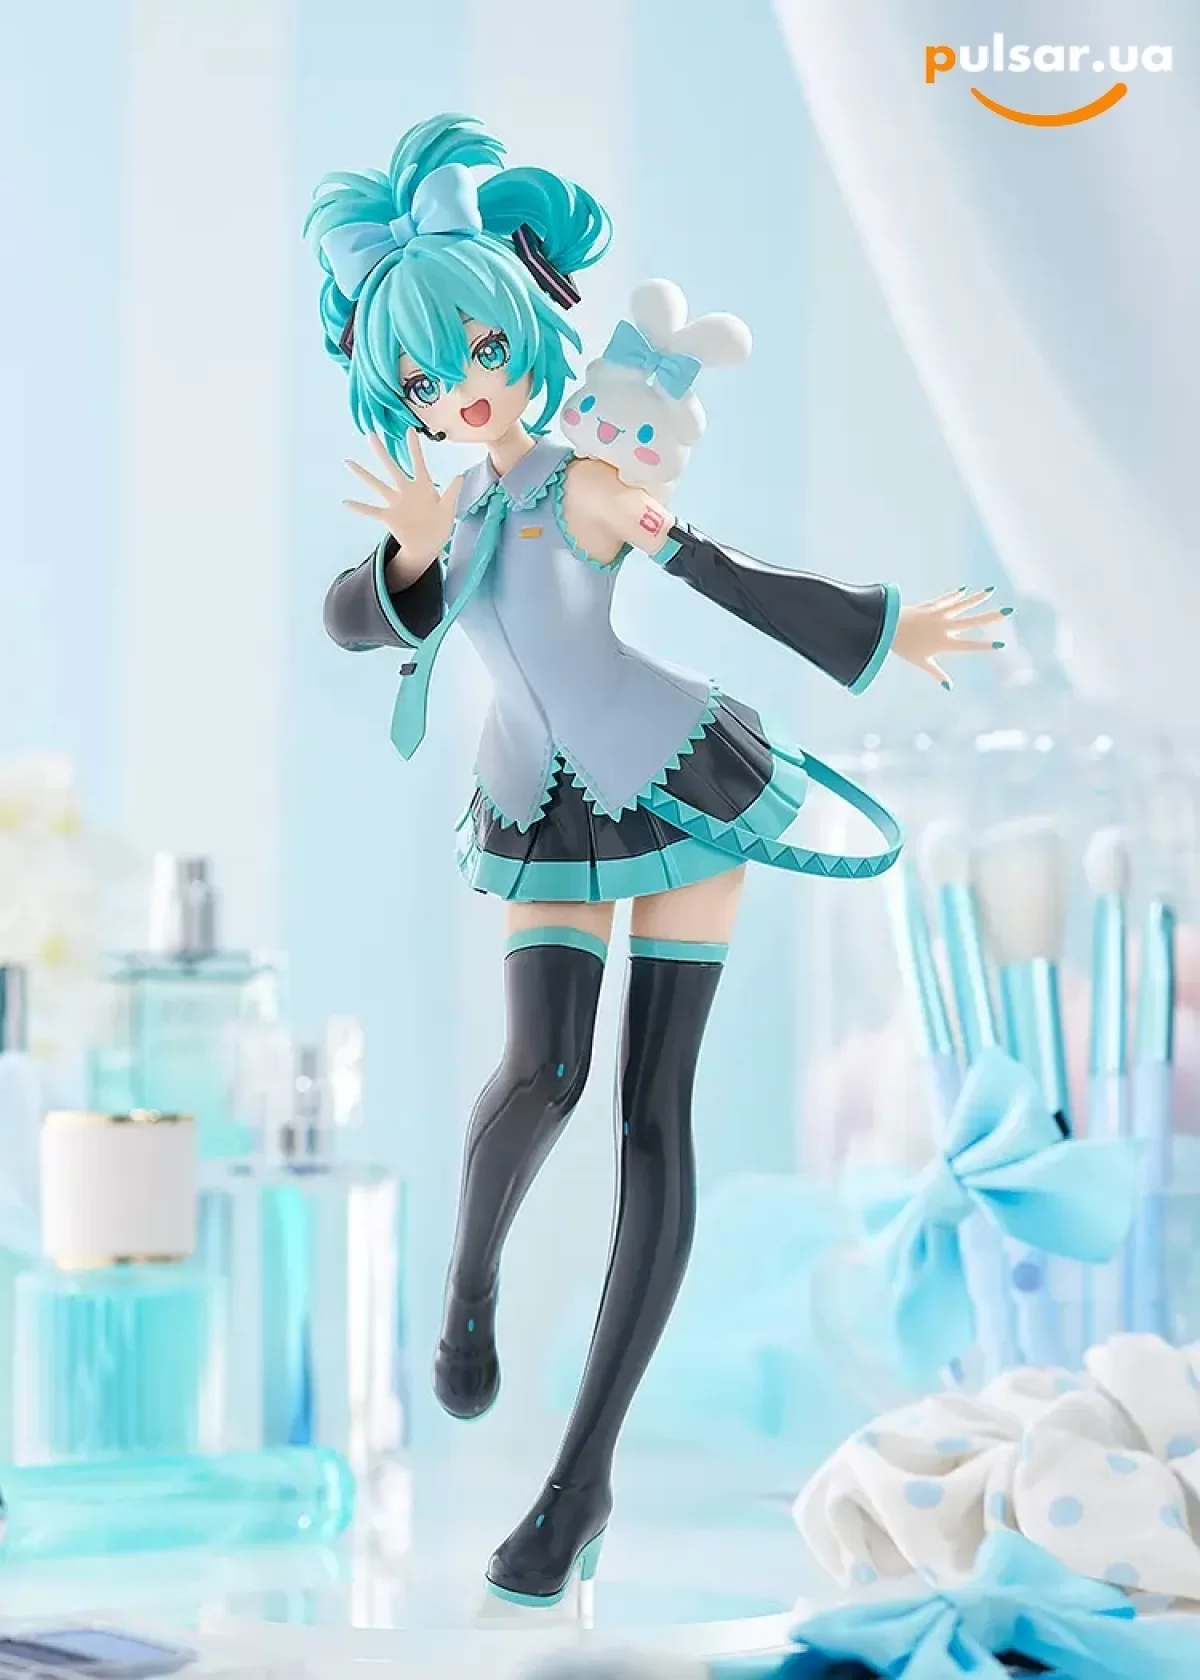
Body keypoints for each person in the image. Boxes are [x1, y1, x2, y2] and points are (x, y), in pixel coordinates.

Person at [308, 111, 1008, 1609]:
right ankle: (470, 1282)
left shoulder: (584, 484)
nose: (461, 389)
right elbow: (356, 620)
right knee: (542, 1075)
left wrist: (886, 630)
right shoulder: (451, 511)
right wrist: (411, 553)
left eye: (477, 351)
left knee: (649, 1112)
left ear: (523, 327)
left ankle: (580, 1485)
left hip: (680, 783)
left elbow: (728, 574)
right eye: (425, 381)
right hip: (535, 809)